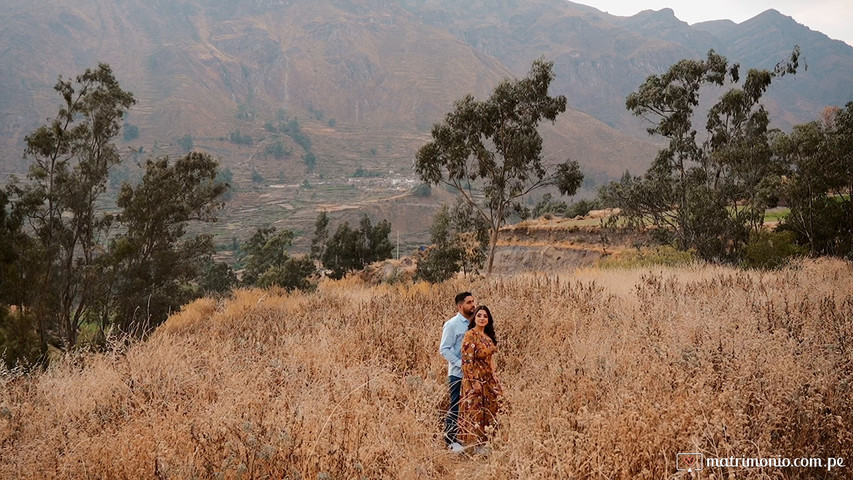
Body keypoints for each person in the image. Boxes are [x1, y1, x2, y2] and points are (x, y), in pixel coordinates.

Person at [458, 305, 503, 453]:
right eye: (479, 316)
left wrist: (495, 376)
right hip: (474, 380)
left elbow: (491, 359)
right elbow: (466, 360)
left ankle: (489, 442)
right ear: (474, 318)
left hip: (488, 379)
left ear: (488, 319)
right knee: (475, 411)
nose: (482, 318)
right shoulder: (470, 335)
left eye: (485, 316)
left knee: (492, 409)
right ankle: (474, 447)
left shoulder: (488, 337)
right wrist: (473, 381)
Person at [439, 291, 476, 453]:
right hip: (457, 373)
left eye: (473, 301)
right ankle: (450, 440)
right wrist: (461, 364)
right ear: (460, 306)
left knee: (471, 405)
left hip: (474, 374)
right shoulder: (452, 324)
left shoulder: (475, 322)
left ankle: (466, 437)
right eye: (469, 302)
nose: (473, 305)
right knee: (455, 405)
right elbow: (444, 349)